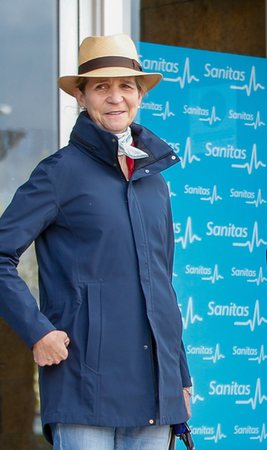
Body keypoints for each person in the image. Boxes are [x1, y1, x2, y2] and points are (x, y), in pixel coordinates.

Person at [0, 34, 191, 449]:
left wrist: (181, 376)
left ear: (139, 96)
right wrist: (37, 331)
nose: (115, 97)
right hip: (82, 388)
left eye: (126, 86)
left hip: (156, 396)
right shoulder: (58, 173)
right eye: (101, 87)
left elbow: (161, 286)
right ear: (82, 98)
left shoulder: (154, 182)